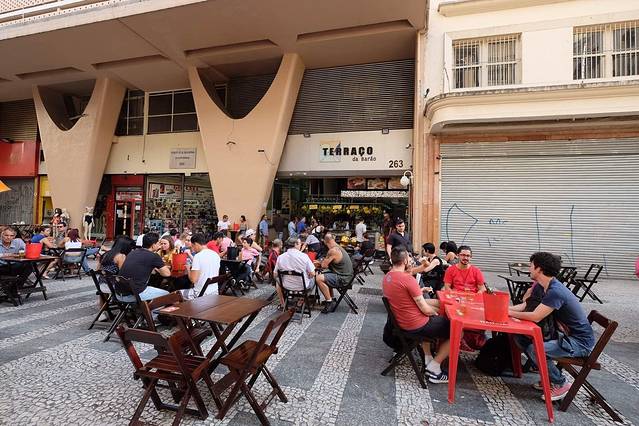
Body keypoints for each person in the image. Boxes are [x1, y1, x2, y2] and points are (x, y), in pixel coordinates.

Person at [510, 252, 595, 401]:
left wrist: (509, 313)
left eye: (531, 265)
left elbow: (536, 316)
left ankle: (560, 383)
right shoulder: (542, 286)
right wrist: (505, 310)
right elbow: (526, 305)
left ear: (539, 269)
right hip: (563, 335)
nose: (529, 268)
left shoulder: (556, 291)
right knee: (520, 337)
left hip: (579, 342)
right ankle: (548, 377)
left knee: (535, 349)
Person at [383, 247, 451, 384]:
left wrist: (420, 290)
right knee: (456, 329)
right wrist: (437, 315)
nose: (412, 260)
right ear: (405, 261)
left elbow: (405, 295)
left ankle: (428, 357)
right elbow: (425, 310)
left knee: (437, 305)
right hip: (415, 325)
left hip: (402, 321)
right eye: (409, 258)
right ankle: (434, 368)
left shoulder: (388, 276)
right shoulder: (407, 279)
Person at [118, 233, 171, 301]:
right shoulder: (154, 256)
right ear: (153, 245)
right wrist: (157, 267)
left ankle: (147, 306)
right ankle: (150, 308)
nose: (160, 245)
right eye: (158, 243)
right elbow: (167, 274)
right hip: (133, 295)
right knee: (167, 294)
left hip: (119, 293)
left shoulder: (132, 252)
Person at [315, 233, 354, 314]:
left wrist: (319, 263)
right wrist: (321, 262)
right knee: (327, 276)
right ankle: (331, 299)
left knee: (318, 278)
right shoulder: (338, 247)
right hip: (347, 276)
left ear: (325, 241)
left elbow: (324, 266)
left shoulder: (332, 251)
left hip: (343, 278)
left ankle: (329, 302)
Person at [273, 237, 316, 308]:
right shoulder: (304, 256)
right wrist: (308, 276)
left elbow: (275, 275)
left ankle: (282, 303)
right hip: (302, 286)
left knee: (278, 281)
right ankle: (301, 300)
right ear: (296, 244)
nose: (301, 245)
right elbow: (313, 273)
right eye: (300, 243)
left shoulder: (281, 257)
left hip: (286, 286)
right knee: (315, 277)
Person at [188, 233, 221, 298]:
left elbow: (193, 280)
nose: (193, 249)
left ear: (196, 244)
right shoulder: (216, 255)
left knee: (175, 295)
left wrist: (188, 269)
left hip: (200, 294)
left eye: (193, 246)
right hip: (215, 292)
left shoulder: (198, 256)